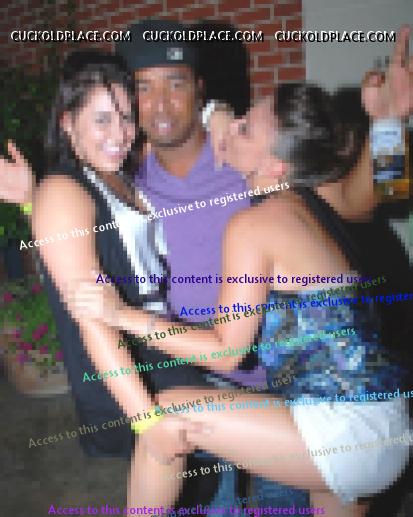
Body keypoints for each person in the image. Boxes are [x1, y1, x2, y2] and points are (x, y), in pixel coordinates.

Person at [70, 32, 413, 515]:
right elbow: (71, 209)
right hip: (284, 396)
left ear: (200, 89)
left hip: (299, 406)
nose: (161, 103)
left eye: (176, 83)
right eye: (143, 88)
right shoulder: (132, 179)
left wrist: (390, 121)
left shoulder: (266, 190)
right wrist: (29, 197)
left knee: (169, 425)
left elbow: (375, 195)